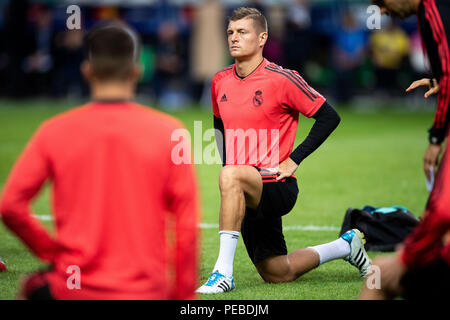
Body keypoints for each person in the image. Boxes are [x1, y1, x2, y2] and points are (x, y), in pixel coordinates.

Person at [0, 22, 199, 300]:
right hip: (146, 291)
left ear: (87, 71)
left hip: (74, 288)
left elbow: (10, 206)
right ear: (137, 71)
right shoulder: (170, 132)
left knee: (30, 288)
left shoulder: (54, 131)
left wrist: (53, 253)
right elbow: (186, 227)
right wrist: (183, 295)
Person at [196, 7, 371, 294]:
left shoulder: (282, 78)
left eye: (242, 32)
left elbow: (329, 116)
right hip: (245, 188)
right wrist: (231, 167)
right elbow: (219, 127)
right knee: (278, 272)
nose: (234, 38)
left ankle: (222, 274)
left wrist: (294, 159)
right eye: (230, 32)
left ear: (262, 37)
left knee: (230, 175)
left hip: (277, 185)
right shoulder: (219, 81)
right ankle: (344, 245)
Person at [360, 0, 450, 299]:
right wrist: (440, 80)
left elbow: (440, 213)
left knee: (378, 275)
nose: (382, 12)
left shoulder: (432, 9)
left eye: (381, 3)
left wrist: (436, 138)